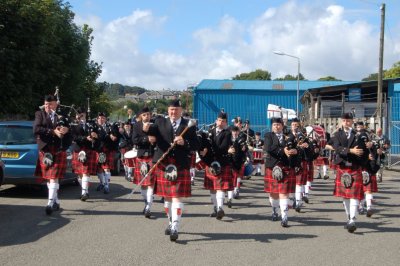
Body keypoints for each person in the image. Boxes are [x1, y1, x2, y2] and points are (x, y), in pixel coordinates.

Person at [146, 99, 200, 241]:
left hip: (180, 164)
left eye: (175, 110)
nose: (173, 112)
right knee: (167, 198)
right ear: (168, 110)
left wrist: (184, 142)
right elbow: (150, 131)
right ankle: (170, 222)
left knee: (176, 196)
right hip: (164, 163)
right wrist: (146, 129)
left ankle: (175, 226)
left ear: (180, 110)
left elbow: (195, 144)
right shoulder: (160, 122)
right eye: (170, 109)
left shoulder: (188, 125)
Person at [34, 94, 72, 215]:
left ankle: (50, 203)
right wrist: (52, 131)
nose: (47, 106)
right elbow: (36, 129)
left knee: (53, 176)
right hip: (46, 149)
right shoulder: (40, 114)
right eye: (46, 104)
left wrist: (66, 130)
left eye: (50, 104)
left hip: (58, 149)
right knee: (50, 178)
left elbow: (69, 131)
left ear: (56, 104)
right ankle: (55, 200)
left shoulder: (62, 115)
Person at [332, 112, 365, 233]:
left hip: (355, 167)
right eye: (344, 121)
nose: (346, 123)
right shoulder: (337, 134)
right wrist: (351, 150)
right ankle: (348, 217)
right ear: (342, 121)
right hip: (342, 167)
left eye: (349, 121)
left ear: (352, 121)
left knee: (354, 195)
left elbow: (363, 150)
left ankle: (352, 220)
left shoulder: (358, 135)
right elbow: (337, 148)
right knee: (345, 196)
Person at [264, 117, 298, 227]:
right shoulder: (268, 136)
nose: (277, 126)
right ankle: (274, 210)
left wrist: (295, 150)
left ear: (282, 126)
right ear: (272, 126)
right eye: (274, 125)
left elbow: (295, 147)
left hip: (286, 166)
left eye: (279, 125)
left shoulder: (289, 136)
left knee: (284, 193)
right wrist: (283, 150)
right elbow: (269, 148)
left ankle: (284, 217)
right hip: (272, 167)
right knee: (273, 194)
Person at [201, 111, 234, 220]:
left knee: (220, 187)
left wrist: (209, 149)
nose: (221, 123)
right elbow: (205, 143)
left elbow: (223, 148)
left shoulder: (227, 133)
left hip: (222, 162)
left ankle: (220, 208)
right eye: (219, 120)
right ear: (216, 121)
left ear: (226, 123)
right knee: (212, 188)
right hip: (210, 162)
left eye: (223, 121)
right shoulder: (210, 131)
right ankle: (215, 209)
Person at [71, 107, 100, 201]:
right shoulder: (73, 124)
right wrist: (85, 138)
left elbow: (98, 133)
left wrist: (95, 136)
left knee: (85, 172)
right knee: (79, 173)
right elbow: (74, 137)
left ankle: (84, 192)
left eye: (82, 114)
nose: (80, 116)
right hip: (78, 149)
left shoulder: (91, 124)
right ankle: (85, 189)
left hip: (88, 150)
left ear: (85, 115)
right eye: (78, 115)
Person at [132, 106, 156, 218]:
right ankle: (147, 202)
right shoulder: (136, 126)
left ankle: (148, 208)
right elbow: (134, 140)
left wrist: (154, 140)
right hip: (141, 157)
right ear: (141, 116)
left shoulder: (155, 125)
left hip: (152, 156)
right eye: (144, 114)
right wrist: (146, 139)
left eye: (148, 114)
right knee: (143, 184)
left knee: (150, 183)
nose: (147, 116)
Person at [95, 112, 120, 194]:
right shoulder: (94, 127)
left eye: (103, 118)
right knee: (99, 169)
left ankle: (106, 185)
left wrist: (114, 135)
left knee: (106, 168)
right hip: (99, 150)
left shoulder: (110, 127)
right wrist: (108, 136)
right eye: (99, 118)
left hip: (108, 149)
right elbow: (100, 137)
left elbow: (116, 134)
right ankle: (102, 183)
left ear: (105, 119)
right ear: (97, 119)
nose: (101, 119)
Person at [227, 126, 247, 207]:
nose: (235, 133)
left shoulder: (241, 139)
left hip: (239, 161)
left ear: (238, 132)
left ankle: (236, 190)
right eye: (233, 131)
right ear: (231, 132)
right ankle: (230, 199)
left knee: (237, 177)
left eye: (236, 131)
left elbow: (245, 149)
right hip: (229, 161)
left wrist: (244, 148)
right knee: (231, 180)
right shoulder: (228, 139)